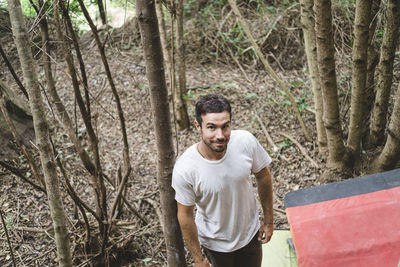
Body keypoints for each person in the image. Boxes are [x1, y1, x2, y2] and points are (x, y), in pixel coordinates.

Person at [172, 94, 274, 267]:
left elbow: (263, 176)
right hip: (215, 245)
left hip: (251, 236)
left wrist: (269, 220)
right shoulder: (186, 168)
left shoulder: (245, 141)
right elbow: (185, 214)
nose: (220, 135)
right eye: (211, 127)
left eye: (225, 127)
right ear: (199, 126)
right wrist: (198, 258)